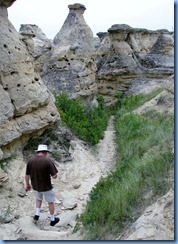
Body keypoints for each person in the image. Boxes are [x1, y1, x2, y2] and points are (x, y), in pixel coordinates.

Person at [25, 144, 60, 226]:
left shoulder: (31, 160)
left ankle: (37, 214)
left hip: (35, 186)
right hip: (46, 187)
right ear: (45, 152)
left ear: (38, 151)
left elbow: (27, 175)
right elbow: (54, 176)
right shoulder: (48, 161)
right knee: (51, 202)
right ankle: (52, 220)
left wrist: (27, 184)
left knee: (38, 199)